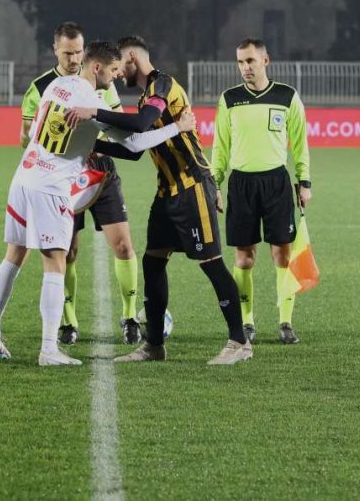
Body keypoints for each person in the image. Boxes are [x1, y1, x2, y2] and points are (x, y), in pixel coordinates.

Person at [0, 41, 196, 366]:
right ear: (97, 68)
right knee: (55, 262)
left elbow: (46, 130)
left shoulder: (56, 85)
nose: (117, 75)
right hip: (51, 188)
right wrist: (176, 127)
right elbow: (134, 144)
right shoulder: (91, 101)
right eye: (113, 70)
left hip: (24, 176)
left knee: (13, 257)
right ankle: (49, 349)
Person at [65, 35, 251, 365]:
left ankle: (239, 342)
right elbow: (136, 149)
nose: (117, 73)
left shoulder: (162, 84)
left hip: (193, 185)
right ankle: (153, 345)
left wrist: (94, 111)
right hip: (168, 190)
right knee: (152, 263)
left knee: (211, 263)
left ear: (132, 58)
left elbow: (140, 124)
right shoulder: (146, 96)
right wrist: (93, 146)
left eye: (119, 65)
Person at [20, 22, 141, 346]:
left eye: (78, 52)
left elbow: (120, 126)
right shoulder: (41, 86)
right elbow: (27, 137)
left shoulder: (103, 82)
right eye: (67, 53)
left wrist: (100, 143)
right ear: (55, 50)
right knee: (68, 251)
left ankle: (130, 316)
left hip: (101, 170)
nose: (74, 59)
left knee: (123, 245)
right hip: (63, 176)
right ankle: (68, 322)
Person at [210, 38, 312, 345]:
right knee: (244, 259)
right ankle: (247, 322)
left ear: (265, 61)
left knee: (282, 254)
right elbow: (220, 146)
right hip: (241, 184)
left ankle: (285, 322)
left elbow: (300, 142)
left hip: (276, 183)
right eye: (240, 62)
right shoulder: (229, 99)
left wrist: (304, 181)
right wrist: (214, 184)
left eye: (250, 61)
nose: (245, 67)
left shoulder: (287, 96)